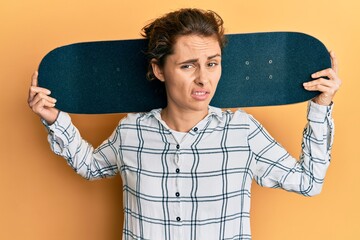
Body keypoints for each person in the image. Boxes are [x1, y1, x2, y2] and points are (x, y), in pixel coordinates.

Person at [28, 8, 341, 240]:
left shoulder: (242, 131)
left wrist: (320, 107)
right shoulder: (131, 131)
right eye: (188, 65)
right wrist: (55, 120)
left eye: (212, 63)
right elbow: (91, 166)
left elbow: (309, 183)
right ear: (160, 70)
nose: (203, 78)